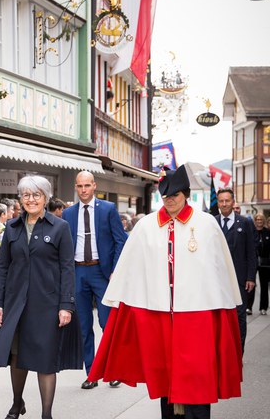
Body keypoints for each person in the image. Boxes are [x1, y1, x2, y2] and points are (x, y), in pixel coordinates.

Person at [88, 165, 243, 419]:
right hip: (159, 314)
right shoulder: (146, 226)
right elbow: (132, 268)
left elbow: (220, 272)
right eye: (166, 196)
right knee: (165, 379)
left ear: (186, 194)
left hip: (198, 314)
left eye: (175, 195)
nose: (170, 201)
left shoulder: (206, 224)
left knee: (198, 377)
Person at [0, 175, 82, 419]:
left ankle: (46, 413)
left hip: (47, 303)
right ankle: (17, 402)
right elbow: (3, 268)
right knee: (17, 356)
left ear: (45, 198)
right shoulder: (12, 228)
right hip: (15, 302)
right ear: (21, 199)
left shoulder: (60, 227)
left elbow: (67, 268)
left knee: (45, 358)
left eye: (36, 195)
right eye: (26, 195)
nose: (31, 200)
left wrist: (66, 305)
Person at [62, 170, 127, 389]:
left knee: (107, 324)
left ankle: (113, 370)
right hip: (78, 272)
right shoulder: (69, 213)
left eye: (87, 186)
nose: (83, 190)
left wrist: (115, 270)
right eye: (79, 186)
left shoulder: (108, 209)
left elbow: (121, 240)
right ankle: (92, 373)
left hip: (102, 272)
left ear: (94, 186)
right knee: (83, 326)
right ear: (76, 186)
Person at [216, 187, 257, 354]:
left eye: (227, 200)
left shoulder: (245, 223)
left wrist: (251, 277)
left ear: (233, 202)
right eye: (221, 201)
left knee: (239, 317)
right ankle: (219, 353)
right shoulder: (213, 222)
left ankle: (237, 353)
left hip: (239, 279)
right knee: (219, 316)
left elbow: (251, 252)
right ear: (218, 203)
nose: (224, 204)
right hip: (217, 280)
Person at [247, 213, 270, 316]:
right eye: (257, 220)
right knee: (251, 283)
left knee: (264, 285)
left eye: (261, 220)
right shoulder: (251, 232)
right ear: (255, 221)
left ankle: (263, 307)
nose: (259, 222)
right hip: (253, 261)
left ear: (263, 221)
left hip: (265, 263)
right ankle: (248, 307)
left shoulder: (267, 232)